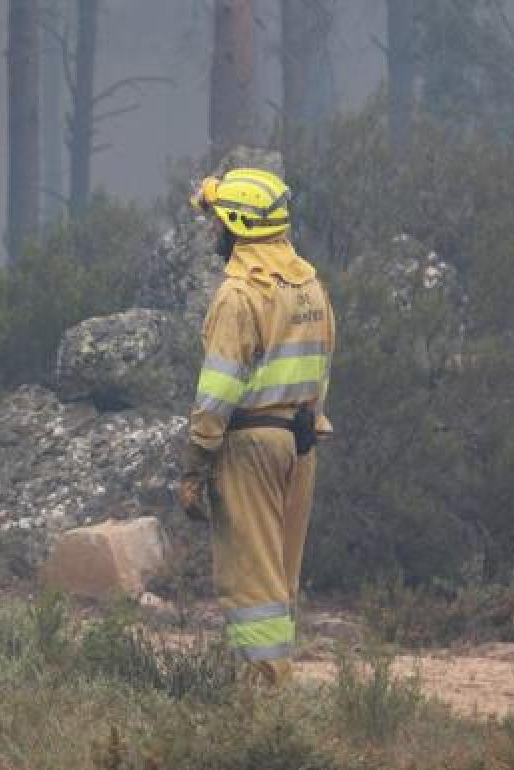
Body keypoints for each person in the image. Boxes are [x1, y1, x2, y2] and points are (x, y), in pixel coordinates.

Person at [178, 167, 335, 685]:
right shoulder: (309, 285)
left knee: (252, 582)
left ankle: (264, 703)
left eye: (218, 221)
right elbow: (321, 371)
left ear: (237, 227)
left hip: (249, 446)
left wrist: (196, 464)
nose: (213, 233)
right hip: (301, 443)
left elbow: (217, 391)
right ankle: (271, 687)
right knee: (280, 577)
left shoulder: (239, 295)